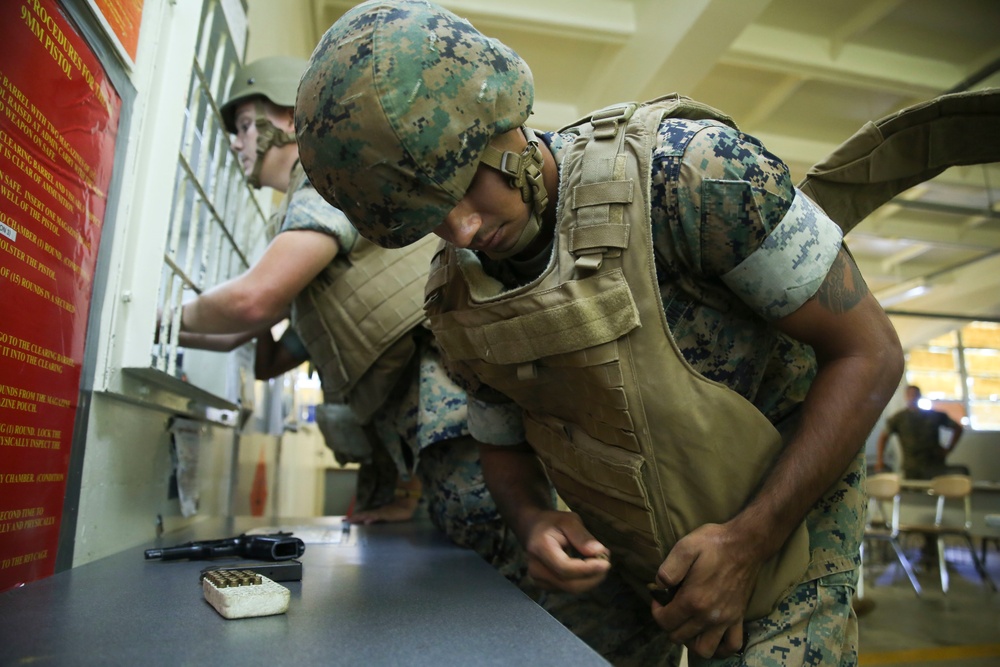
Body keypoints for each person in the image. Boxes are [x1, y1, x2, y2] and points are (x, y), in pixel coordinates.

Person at [293, 2, 906, 664]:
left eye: (466, 188)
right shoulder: (460, 294)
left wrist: (749, 543)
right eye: (433, 219)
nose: (464, 230)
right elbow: (500, 439)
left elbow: (869, 353)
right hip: (623, 542)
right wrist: (533, 521)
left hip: (782, 516)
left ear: (502, 121)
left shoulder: (694, 175)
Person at [174, 56, 522, 573]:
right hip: (425, 414)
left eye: (247, 125)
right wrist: (177, 333)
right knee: (477, 551)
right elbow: (262, 350)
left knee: (504, 549)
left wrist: (157, 320)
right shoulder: (303, 208)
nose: (236, 141)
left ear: (291, 120)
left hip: (448, 400)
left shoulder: (325, 180)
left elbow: (253, 301)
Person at [875, 385, 968, 479]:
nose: (913, 397)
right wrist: (880, 460)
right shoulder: (899, 418)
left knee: (938, 489)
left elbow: (957, 428)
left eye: (915, 394)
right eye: (910, 394)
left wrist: (949, 449)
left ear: (919, 396)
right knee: (912, 491)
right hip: (912, 467)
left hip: (934, 464)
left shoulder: (933, 415)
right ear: (906, 396)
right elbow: (883, 437)